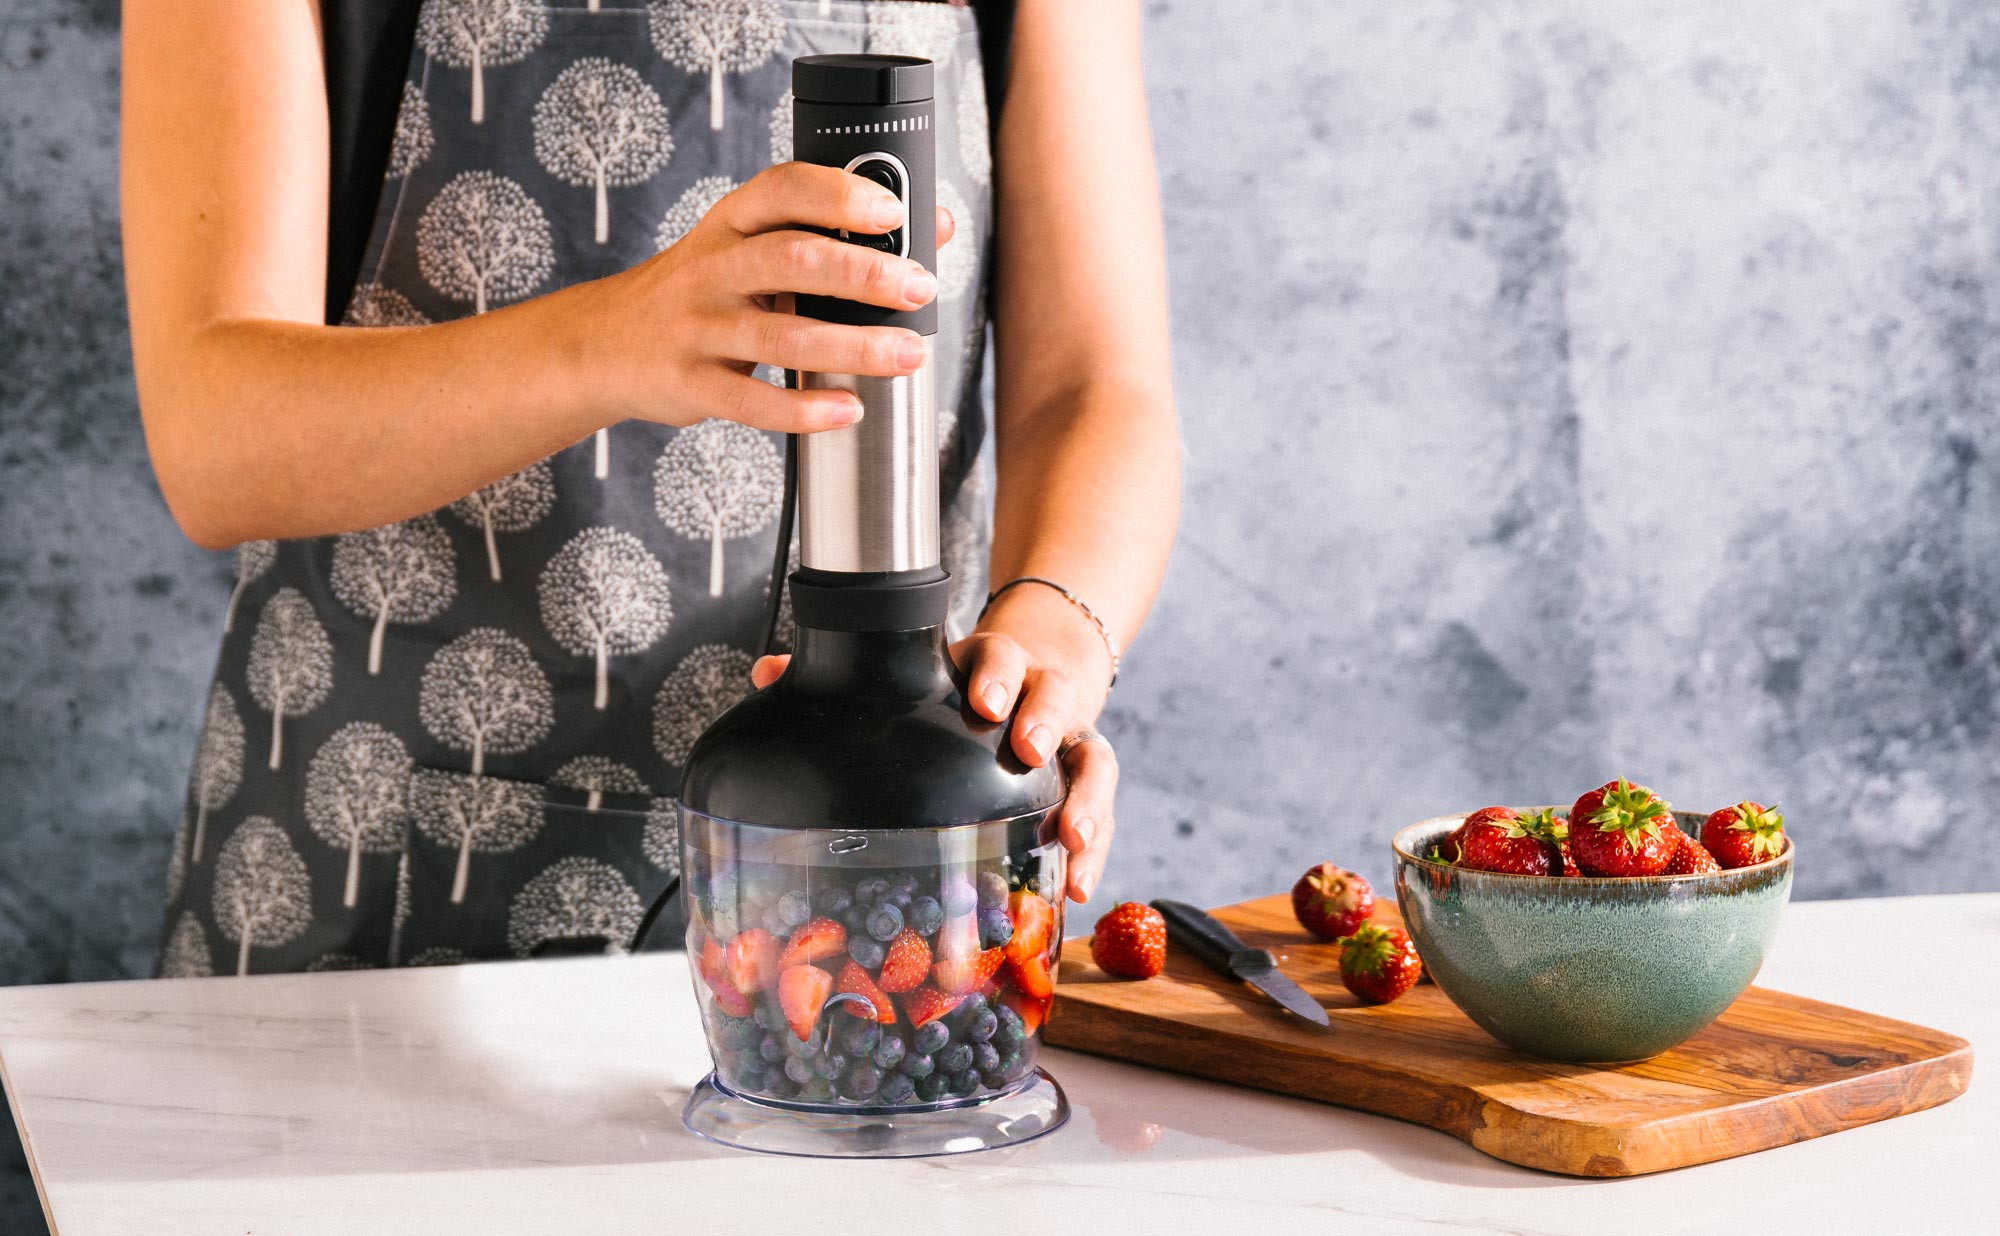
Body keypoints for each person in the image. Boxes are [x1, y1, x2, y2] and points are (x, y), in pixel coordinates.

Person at [122, 0, 1178, 976]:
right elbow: (215, 438)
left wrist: (1053, 631)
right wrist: (613, 340)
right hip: (375, 888)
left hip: (874, 874)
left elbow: (1092, 386)